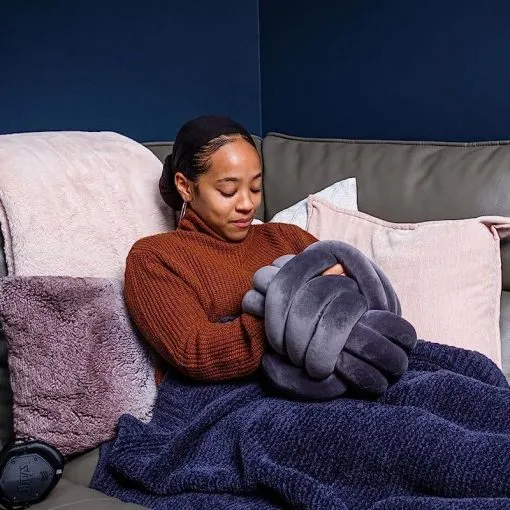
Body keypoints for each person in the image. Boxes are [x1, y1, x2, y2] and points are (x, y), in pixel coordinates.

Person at [124, 115, 344, 383]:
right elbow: (194, 352)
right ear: (185, 186)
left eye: (255, 188)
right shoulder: (154, 258)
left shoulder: (288, 238)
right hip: (223, 400)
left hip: (325, 377)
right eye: (228, 191)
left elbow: (352, 300)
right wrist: (293, 311)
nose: (247, 204)